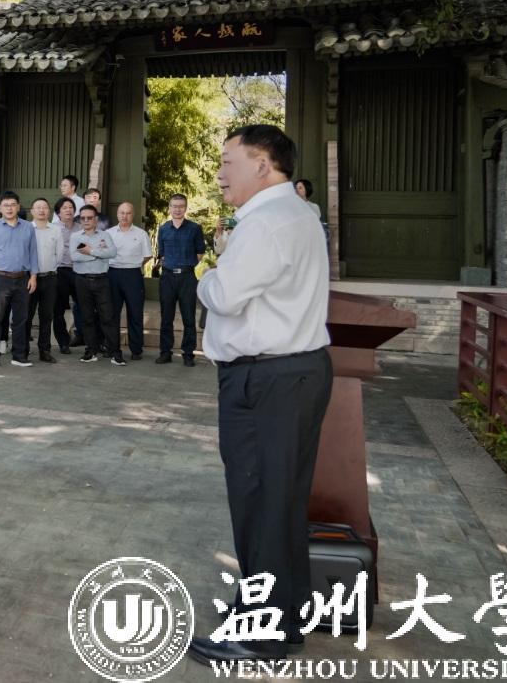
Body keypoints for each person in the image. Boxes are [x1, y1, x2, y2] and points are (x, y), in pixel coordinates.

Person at [186, 125, 332, 666]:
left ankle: (261, 634)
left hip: (266, 379)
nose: (219, 173)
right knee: (281, 502)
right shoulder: (299, 213)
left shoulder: (266, 222)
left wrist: (206, 273)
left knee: (259, 503)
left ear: (263, 165)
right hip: (293, 373)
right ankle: (282, 614)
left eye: (228, 162)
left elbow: (223, 295)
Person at [0, 191, 38, 368]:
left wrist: (33, 276)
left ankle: (19, 356)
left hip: (23, 278)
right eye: (6, 205)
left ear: (18, 207)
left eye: (13, 205)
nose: (10, 208)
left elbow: (33, 253)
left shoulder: (28, 227)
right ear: (0, 208)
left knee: (21, 319)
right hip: (0, 279)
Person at [154, 193, 206, 367]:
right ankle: (165, 352)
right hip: (167, 277)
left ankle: (188, 354)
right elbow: (162, 253)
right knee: (166, 317)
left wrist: (186, 264)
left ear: (185, 208)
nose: (177, 209)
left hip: (187, 277)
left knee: (188, 317)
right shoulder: (163, 229)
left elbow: (200, 253)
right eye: (174, 206)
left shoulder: (195, 228)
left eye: (181, 206)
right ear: (169, 208)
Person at [71, 205, 122, 364]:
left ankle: (115, 353)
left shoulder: (105, 235)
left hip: (102, 280)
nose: (86, 220)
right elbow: (74, 257)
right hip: (82, 281)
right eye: (83, 218)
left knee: (108, 317)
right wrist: (99, 254)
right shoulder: (75, 237)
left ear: (96, 219)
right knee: (87, 318)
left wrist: (90, 251)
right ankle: (91, 351)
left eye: (89, 218)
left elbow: (112, 253)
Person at [105, 201, 152, 360]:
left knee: (135, 313)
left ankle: (136, 350)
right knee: (112, 314)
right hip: (112, 274)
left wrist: (132, 263)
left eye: (128, 213)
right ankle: (112, 348)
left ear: (133, 215)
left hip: (133, 275)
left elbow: (147, 256)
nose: (125, 216)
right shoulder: (109, 233)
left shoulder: (141, 234)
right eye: (122, 213)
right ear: (117, 214)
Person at [26, 198, 65, 363]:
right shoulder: (26, 228)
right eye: (38, 207)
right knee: (26, 315)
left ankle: (44, 350)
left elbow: (59, 254)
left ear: (49, 211)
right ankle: (23, 348)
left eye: (44, 207)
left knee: (47, 315)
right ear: (32, 211)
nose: (41, 210)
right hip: (29, 278)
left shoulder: (56, 230)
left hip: (50, 278)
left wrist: (50, 268)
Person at [51, 196, 80, 355]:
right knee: (58, 309)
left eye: (70, 207)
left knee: (84, 306)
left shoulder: (80, 228)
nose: (68, 210)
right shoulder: (52, 228)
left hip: (78, 271)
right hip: (60, 271)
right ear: (58, 213)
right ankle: (63, 342)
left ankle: (84, 336)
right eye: (64, 208)